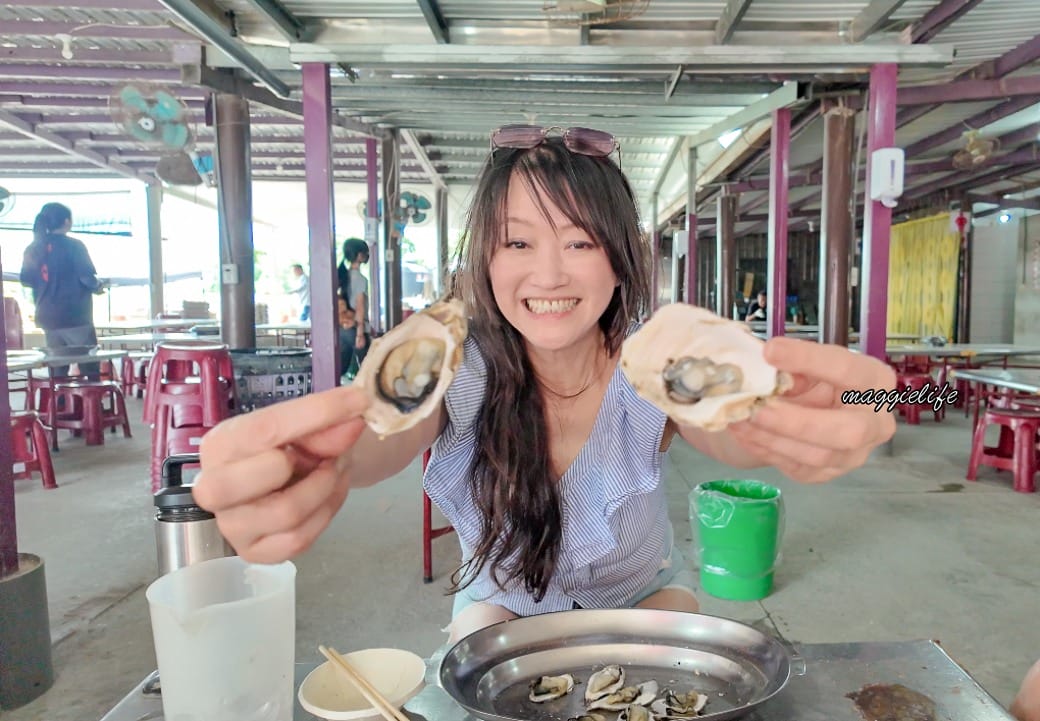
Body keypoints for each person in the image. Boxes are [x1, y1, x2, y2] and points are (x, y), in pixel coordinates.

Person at [193, 127, 896, 644]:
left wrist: (804, 411)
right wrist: (329, 459)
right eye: (519, 241)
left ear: (620, 259)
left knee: (679, 667)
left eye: (581, 241)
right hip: (501, 598)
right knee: (479, 659)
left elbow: (729, 428)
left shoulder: (654, 364)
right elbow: (385, 436)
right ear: (486, 261)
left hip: (643, 589)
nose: (551, 274)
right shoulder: (460, 366)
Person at [19, 202, 104, 378]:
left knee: (58, 368)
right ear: (66, 221)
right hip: (75, 316)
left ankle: (60, 403)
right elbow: (87, 278)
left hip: (48, 317)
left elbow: (26, 280)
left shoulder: (33, 248)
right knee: (89, 366)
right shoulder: (75, 246)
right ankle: (91, 404)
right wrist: (99, 286)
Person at [337, 237, 371, 372]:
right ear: (359, 255)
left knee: (340, 369)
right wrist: (360, 334)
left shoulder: (342, 276)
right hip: (355, 328)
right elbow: (360, 307)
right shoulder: (360, 279)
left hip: (342, 328)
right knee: (368, 369)